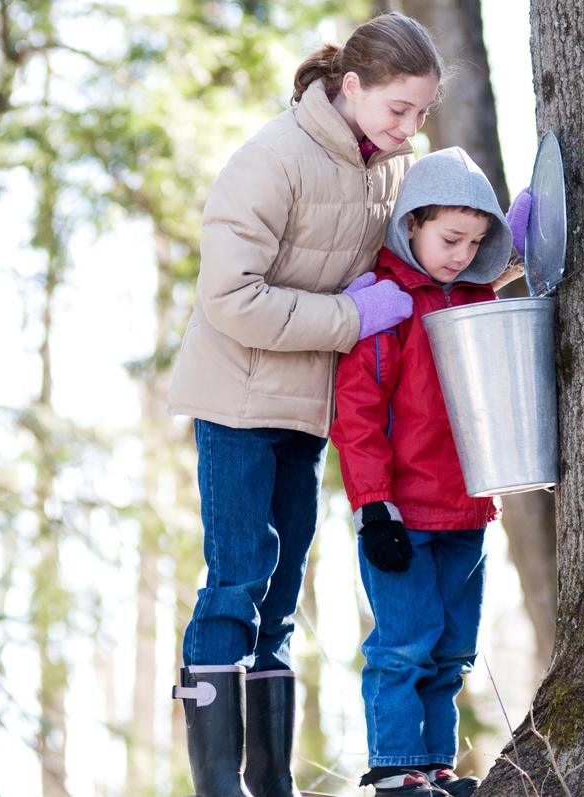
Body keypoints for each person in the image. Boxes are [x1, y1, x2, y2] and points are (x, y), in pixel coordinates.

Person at [166, 14, 443, 797]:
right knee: (237, 578)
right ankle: (220, 783)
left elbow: (431, 254)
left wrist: (506, 244)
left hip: (305, 404)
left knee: (283, 589)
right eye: (398, 109)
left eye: (421, 113)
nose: (409, 126)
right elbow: (228, 297)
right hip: (237, 396)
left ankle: (271, 780)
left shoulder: (394, 164)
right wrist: (351, 317)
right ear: (351, 87)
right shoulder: (271, 159)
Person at [331, 147, 521, 797]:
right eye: (449, 238)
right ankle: (394, 768)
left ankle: (436, 767)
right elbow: (356, 413)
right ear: (412, 223)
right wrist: (372, 503)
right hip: (401, 513)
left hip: (467, 507)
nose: (462, 254)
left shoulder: (473, 298)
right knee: (404, 645)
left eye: (475, 242)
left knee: (451, 651)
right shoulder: (387, 304)